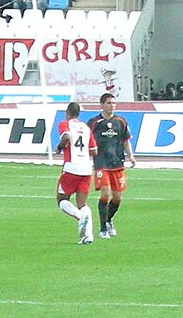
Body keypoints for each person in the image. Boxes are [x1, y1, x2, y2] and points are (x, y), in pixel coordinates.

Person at [88, 93, 135, 238]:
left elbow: (126, 140)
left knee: (117, 198)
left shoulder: (120, 121)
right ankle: (102, 229)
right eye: (109, 103)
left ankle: (108, 220)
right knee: (105, 193)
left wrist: (131, 156)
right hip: (101, 163)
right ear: (101, 105)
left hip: (117, 162)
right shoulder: (94, 122)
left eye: (113, 103)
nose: (112, 105)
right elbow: (86, 140)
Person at [53, 101, 96, 245]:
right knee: (82, 204)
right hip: (86, 169)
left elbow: (66, 137)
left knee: (62, 199)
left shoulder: (65, 124)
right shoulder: (86, 128)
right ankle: (88, 236)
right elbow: (94, 150)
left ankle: (79, 218)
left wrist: (59, 148)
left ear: (68, 113)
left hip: (71, 167)